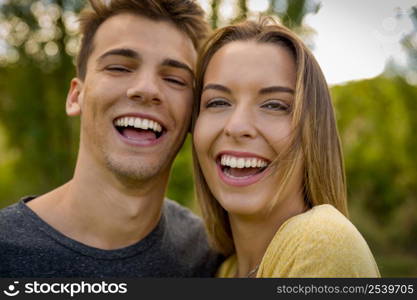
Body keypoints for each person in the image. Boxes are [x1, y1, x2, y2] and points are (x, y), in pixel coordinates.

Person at [0, 0, 221, 277]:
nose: (146, 89)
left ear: (193, 115)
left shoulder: (207, 256)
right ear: (75, 96)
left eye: (175, 79)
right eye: (119, 68)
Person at [192, 19, 380, 277]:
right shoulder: (226, 270)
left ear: (312, 132)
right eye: (218, 102)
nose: (236, 127)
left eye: (274, 105)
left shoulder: (321, 244)